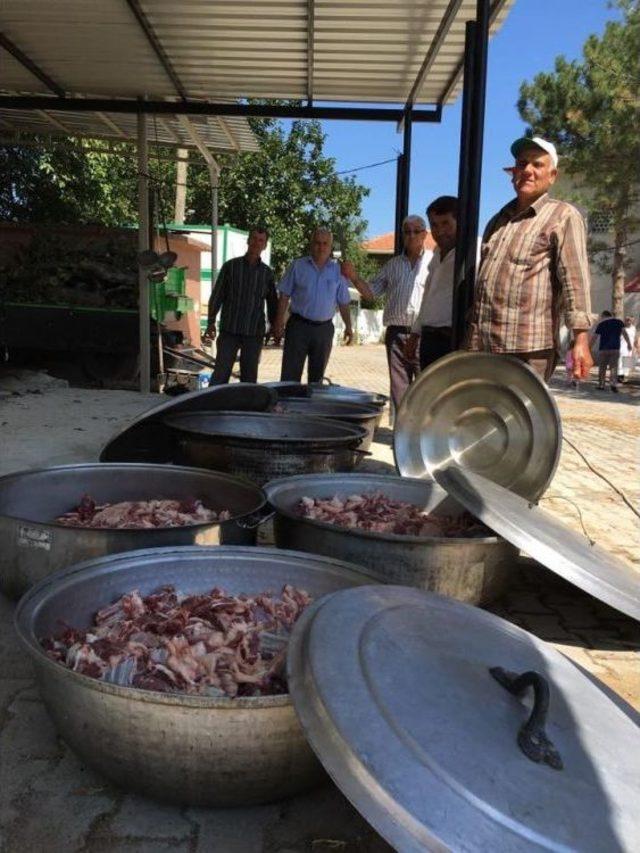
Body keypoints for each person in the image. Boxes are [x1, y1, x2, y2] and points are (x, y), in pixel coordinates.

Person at [467, 136, 593, 383]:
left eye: (537, 165)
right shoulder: (497, 220)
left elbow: (575, 281)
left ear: (552, 176)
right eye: (522, 163)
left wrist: (580, 340)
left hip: (529, 349)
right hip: (484, 346)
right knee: (485, 417)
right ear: (513, 171)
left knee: (521, 420)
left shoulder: (563, 216)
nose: (528, 170)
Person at [341, 215, 433, 411]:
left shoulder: (433, 263)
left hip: (424, 334)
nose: (411, 236)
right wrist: (354, 276)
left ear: (425, 234)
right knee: (399, 388)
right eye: (407, 232)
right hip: (396, 334)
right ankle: (401, 435)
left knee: (426, 388)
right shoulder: (392, 265)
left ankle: (422, 436)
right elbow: (371, 293)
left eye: (416, 231)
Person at [272, 228, 353, 383]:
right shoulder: (297, 266)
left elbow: (343, 302)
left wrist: (349, 326)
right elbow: (284, 295)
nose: (321, 247)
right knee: (289, 377)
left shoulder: (338, 271)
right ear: (311, 245)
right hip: (298, 327)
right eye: (317, 243)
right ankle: (288, 406)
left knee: (316, 380)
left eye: (325, 243)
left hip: (323, 331)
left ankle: (311, 407)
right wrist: (278, 321)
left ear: (330, 247)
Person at [204, 227, 277, 384]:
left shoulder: (267, 273)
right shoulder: (231, 267)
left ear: (265, 245)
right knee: (220, 374)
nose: (256, 243)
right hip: (230, 329)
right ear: (248, 240)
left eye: (261, 240)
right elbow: (217, 295)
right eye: (254, 239)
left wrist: (273, 327)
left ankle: (246, 407)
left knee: (249, 378)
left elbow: (272, 302)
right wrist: (210, 321)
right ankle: (211, 406)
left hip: (253, 332)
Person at [404, 197, 458, 370]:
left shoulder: (474, 251)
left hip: (453, 340)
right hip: (429, 340)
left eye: (446, 223)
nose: (440, 231)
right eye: (435, 225)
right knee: (431, 395)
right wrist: (414, 334)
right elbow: (428, 296)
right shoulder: (436, 254)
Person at [591, 310, 631, 392]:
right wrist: (629, 344)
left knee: (602, 367)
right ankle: (613, 385)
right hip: (615, 348)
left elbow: (594, 337)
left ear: (604, 316)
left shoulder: (601, 324)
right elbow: (625, 333)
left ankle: (601, 385)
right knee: (613, 367)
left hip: (603, 349)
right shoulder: (619, 322)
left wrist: (589, 347)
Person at [617, 316, 637, 382]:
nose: (628, 321)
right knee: (620, 362)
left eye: (630, 320)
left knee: (628, 363)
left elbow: (634, 338)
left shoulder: (633, 328)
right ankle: (620, 377)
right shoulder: (621, 328)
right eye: (627, 320)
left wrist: (635, 347)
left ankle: (624, 376)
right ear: (624, 321)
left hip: (630, 348)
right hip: (622, 347)